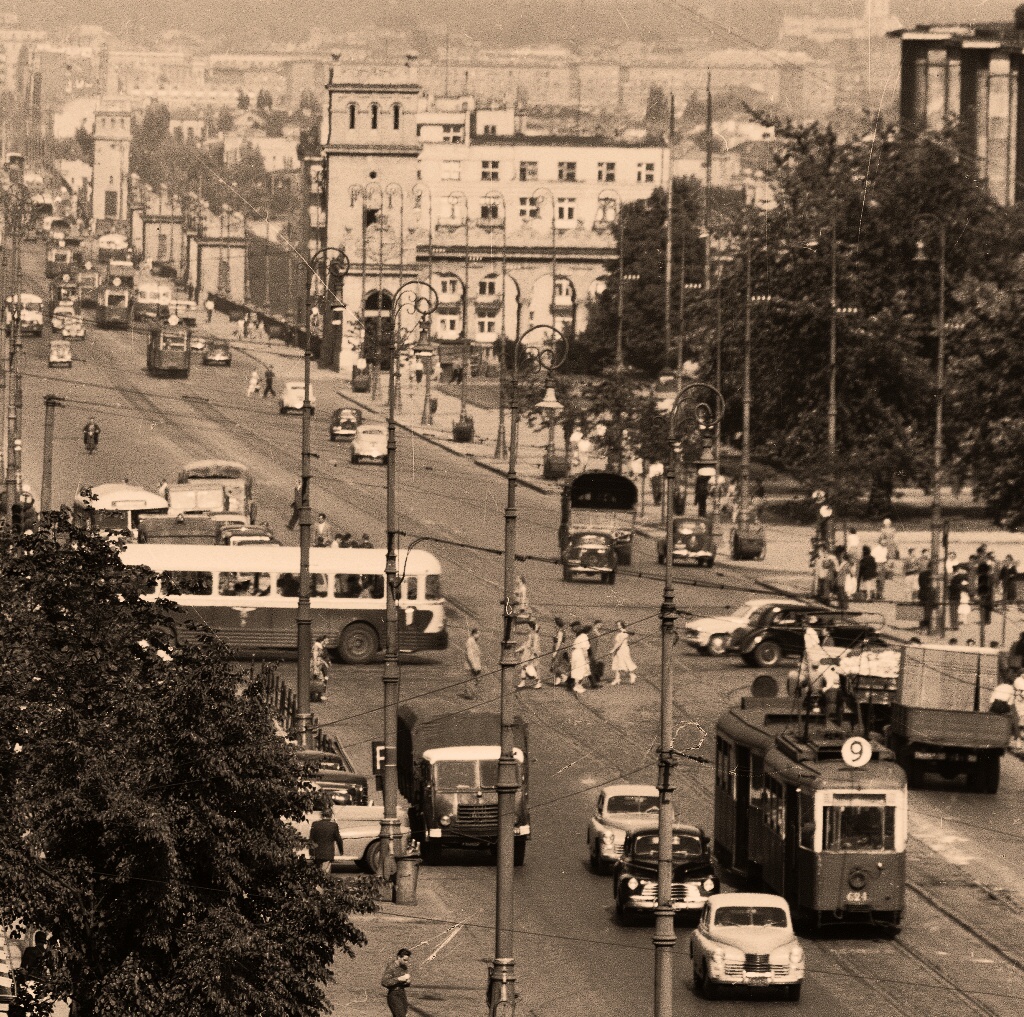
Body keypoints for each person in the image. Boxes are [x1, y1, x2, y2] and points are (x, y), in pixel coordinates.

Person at [308, 805, 344, 873]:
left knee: (318, 871)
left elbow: (311, 839)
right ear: (331, 815)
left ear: (321, 815)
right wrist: (341, 850)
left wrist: (311, 853)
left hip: (317, 852)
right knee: (325, 872)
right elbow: (338, 839)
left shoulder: (315, 824)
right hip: (328, 853)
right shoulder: (333, 825)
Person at [381, 948, 412, 1017]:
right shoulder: (391, 967)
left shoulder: (404, 967)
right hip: (394, 994)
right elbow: (384, 982)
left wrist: (407, 982)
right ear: (399, 957)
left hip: (402, 993)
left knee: (404, 1014)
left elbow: (405, 983)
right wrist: (399, 979)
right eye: (404, 960)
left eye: (407, 960)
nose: (406, 962)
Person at [516, 619, 543, 689]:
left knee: (529, 669)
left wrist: (532, 656)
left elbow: (534, 646)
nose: (526, 628)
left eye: (528, 626)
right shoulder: (530, 635)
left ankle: (538, 682)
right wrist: (519, 649)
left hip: (530, 655)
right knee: (524, 668)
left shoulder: (534, 636)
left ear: (531, 627)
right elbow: (526, 644)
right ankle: (523, 682)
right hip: (527, 654)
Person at [610, 620, 638, 685]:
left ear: (622, 625)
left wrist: (613, 649)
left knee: (625, 664)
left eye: (619, 625)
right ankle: (617, 679)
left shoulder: (624, 633)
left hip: (623, 650)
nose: (618, 627)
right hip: (618, 650)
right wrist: (614, 649)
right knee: (617, 663)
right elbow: (617, 642)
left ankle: (632, 675)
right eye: (617, 625)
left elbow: (619, 643)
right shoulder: (620, 633)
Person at [569, 622, 590, 695]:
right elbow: (584, 649)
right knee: (581, 669)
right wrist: (586, 658)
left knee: (578, 669)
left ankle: (578, 685)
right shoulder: (584, 636)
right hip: (580, 654)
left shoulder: (578, 636)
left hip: (575, 654)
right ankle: (577, 686)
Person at [461, 627, 483, 699]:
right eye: (478, 634)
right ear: (474, 634)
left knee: (475, 680)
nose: (479, 636)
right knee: (471, 681)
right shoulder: (470, 641)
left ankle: (472, 695)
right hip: (471, 666)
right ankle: (469, 696)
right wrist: (474, 666)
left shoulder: (473, 641)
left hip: (475, 665)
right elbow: (470, 655)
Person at [550, 617, 569, 686]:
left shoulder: (560, 632)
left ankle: (565, 677)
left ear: (557, 623)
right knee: (557, 664)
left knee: (556, 664)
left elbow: (559, 642)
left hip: (559, 649)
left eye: (554, 623)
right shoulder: (559, 630)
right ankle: (558, 680)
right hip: (559, 648)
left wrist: (555, 652)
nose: (553, 624)